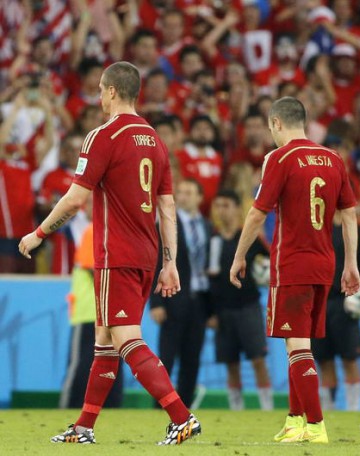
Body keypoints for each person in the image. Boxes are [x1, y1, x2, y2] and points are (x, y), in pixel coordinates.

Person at [18, 61, 200, 445]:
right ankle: (84, 427)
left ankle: (181, 416)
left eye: (102, 90)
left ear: (113, 91)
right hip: (146, 255)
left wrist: (38, 233)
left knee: (126, 340)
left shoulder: (103, 136)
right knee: (105, 342)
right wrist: (169, 263)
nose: (99, 97)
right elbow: (167, 208)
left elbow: (74, 200)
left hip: (114, 253)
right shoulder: (155, 140)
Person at [229, 96, 360, 444]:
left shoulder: (279, 157)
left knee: (297, 346)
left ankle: (316, 425)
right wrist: (351, 263)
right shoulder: (333, 159)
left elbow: (258, 213)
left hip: (293, 263)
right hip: (325, 265)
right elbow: (349, 214)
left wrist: (240, 255)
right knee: (297, 345)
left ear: (275, 124)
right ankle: (295, 421)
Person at [312, 212, 360, 412]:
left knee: (349, 358)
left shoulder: (359, 228)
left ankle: (353, 409)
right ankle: (327, 409)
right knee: (324, 359)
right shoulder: (317, 225)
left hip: (346, 302)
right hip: (318, 301)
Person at [149, 178, 211, 408]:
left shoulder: (206, 226)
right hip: (172, 297)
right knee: (167, 356)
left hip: (200, 300)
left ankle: (184, 408)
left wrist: (212, 308)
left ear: (199, 198)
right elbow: (156, 263)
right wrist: (156, 302)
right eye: (180, 192)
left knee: (192, 357)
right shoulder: (166, 224)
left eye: (188, 192)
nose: (182, 196)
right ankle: (161, 404)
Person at [209, 189, 273, 411]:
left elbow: (272, 261)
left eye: (226, 205)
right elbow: (211, 277)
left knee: (257, 359)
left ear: (237, 208)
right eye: (218, 206)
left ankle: (267, 407)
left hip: (248, 307)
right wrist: (211, 312)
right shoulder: (214, 239)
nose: (221, 211)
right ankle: (236, 409)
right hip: (223, 310)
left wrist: (267, 274)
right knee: (231, 363)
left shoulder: (250, 239)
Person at [59, 206, 124, 409]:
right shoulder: (97, 232)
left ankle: (79, 407)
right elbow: (91, 269)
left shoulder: (101, 232)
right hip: (96, 309)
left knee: (98, 361)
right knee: (97, 361)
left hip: (101, 310)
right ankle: (78, 406)